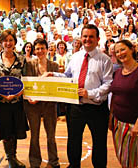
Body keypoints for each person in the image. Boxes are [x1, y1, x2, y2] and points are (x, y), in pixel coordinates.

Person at [44, 24, 113, 168]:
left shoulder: (105, 60)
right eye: (85, 36)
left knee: (99, 142)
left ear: (98, 39)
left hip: (97, 108)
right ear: (81, 38)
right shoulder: (75, 57)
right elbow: (68, 76)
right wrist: (54, 74)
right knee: (74, 140)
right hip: (75, 107)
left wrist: (90, 94)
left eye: (91, 37)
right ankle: (74, 165)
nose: (87, 39)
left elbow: (108, 84)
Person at [0, 29, 29, 168]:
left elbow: (26, 80)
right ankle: (10, 158)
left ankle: (13, 157)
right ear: (1, 42)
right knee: (6, 131)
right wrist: (1, 94)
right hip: (1, 103)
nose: (8, 43)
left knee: (14, 130)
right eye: (5, 40)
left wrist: (18, 93)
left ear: (15, 42)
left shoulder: (22, 59)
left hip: (17, 101)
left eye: (10, 40)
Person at [24, 38, 60, 168]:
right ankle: (34, 162)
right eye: (37, 48)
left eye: (42, 48)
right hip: (33, 105)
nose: (40, 51)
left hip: (49, 105)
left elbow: (56, 86)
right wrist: (31, 98)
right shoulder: (29, 64)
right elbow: (29, 84)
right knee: (34, 136)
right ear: (34, 50)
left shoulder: (54, 66)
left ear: (47, 49)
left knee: (51, 135)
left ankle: (54, 161)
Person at [109, 40, 138, 168]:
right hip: (118, 124)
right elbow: (114, 96)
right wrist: (111, 119)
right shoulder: (118, 73)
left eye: (122, 49)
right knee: (123, 158)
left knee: (131, 161)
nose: (120, 54)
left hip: (133, 124)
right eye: (117, 52)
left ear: (132, 49)